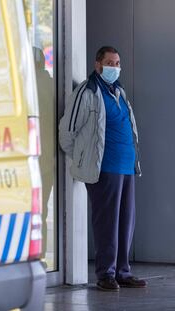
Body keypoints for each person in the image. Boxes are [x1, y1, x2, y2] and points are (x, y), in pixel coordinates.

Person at [59, 46, 146, 291]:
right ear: (98, 65)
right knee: (107, 222)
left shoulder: (119, 91)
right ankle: (106, 274)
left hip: (126, 167)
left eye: (118, 63)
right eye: (110, 63)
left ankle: (122, 271)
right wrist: (81, 157)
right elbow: (67, 131)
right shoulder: (87, 92)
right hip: (104, 168)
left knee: (125, 221)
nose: (115, 67)